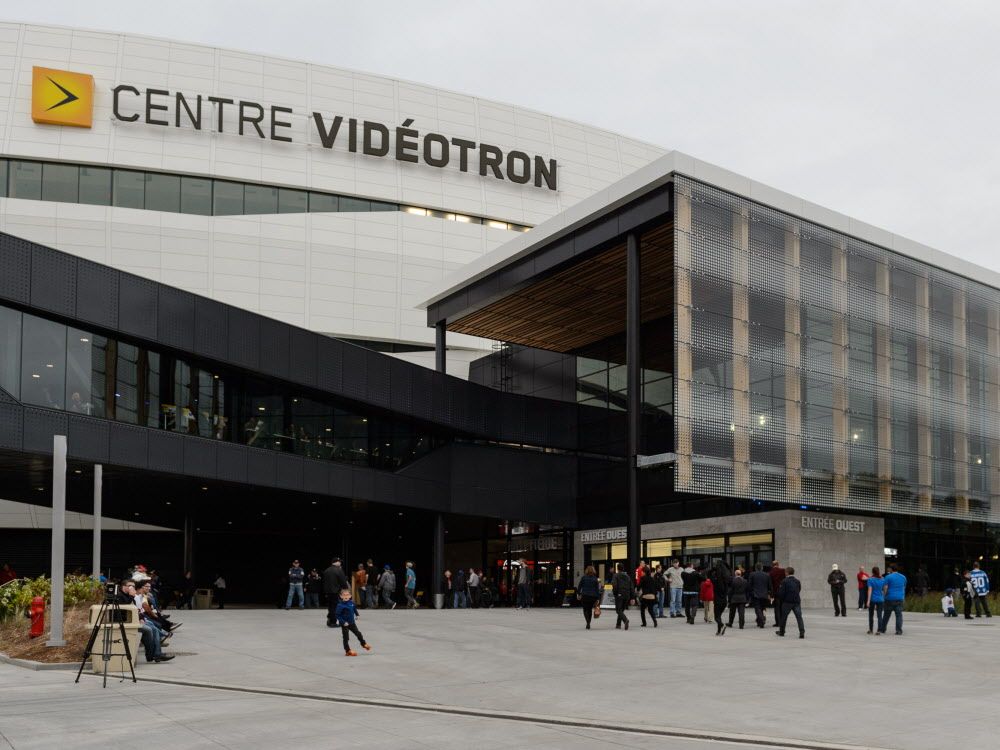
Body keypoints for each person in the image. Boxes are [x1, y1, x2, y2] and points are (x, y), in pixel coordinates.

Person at [334, 588, 371, 656]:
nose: (346, 596)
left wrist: (357, 614)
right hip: (344, 624)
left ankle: (363, 644)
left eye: (347, 594)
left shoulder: (351, 603)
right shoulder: (340, 605)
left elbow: (354, 609)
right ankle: (348, 651)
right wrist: (343, 622)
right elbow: (337, 615)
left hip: (352, 623)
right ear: (341, 596)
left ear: (350, 596)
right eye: (344, 595)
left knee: (358, 633)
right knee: (346, 637)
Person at [877, 563, 907, 636]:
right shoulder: (903, 577)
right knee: (899, 615)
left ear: (891, 569)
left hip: (889, 598)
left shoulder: (888, 577)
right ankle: (899, 630)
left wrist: (884, 595)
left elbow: (885, 587)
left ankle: (883, 629)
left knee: (886, 615)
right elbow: (904, 587)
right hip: (900, 598)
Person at [775, 566, 805, 638]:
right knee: (799, 617)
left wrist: (782, 600)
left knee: (784, 617)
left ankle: (782, 632)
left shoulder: (784, 581)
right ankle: (802, 632)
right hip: (796, 601)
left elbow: (781, 593)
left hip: (787, 602)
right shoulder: (797, 581)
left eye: (785, 572)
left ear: (787, 573)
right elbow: (799, 590)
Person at [323, 557, 349, 627]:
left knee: (330, 606)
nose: (340, 563)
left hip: (328, 592)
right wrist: (346, 589)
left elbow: (324, 582)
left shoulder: (326, 570)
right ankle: (333, 622)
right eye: (339, 561)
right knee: (335, 607)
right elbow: (343, 581)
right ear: (336, 562)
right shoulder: (339, 570)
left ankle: (330, 619)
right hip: (335, 592)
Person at [709, 560, 731, 635]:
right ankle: (718, 631)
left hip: (717, 601)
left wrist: (714, 569)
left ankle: (722, 625)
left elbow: (708, 574)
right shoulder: (726, 580)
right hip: (724, 601)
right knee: (719, 616)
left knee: (716, 617)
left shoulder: (715, 580)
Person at [577, 565, 602, 629]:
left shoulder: (584, 578)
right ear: (593, 571)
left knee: (585, 610)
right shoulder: (595, 579)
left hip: (585, 596)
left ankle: (587, 622)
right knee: (590, 610)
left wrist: (578, 594)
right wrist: (598, 598)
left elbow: (579, 586)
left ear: (586, 570)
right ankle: (589, 622)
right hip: (593, 597)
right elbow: (597, 589)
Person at [611, 562, 633, 630]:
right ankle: (618, 624)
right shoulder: (628, 576)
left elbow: (614, 585)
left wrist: (615, 593)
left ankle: (625, 620)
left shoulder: (616, 575)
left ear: (617, 568)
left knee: (618, 610)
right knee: (621, 610)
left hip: (619, 594)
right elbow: (631, 586)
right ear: (623, 568)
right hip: (627, 595)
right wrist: (632, 597)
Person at [748, 562, 771, 628]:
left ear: (755, 568)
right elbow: (769, 585)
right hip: (764, 594)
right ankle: (759, 621)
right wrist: (769, 593)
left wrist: (750, 593)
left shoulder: (752, 574)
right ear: (762, 568)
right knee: (762, 608)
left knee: (757, 608)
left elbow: (749, 585)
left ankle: (761, 620)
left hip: (756, 594)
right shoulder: (767, 575)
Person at [865, 565, 884, 635]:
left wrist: (868, 601)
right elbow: (884, 589)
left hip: (873, 599)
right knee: (879, 615)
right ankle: (879, 630)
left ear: (872, 572)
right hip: (880, 599)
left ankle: (871, 630)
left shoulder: (870, 579)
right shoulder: (882, 579)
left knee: (871, 615)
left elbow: (870, 590)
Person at [768, 560, 786, 628]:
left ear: (772, 565)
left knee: (777, 608)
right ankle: (782, 621)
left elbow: (770, 584)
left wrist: (771, 594)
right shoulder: (783, 571)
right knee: (782, 608)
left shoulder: (771, 573)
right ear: (778, 564)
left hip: (775, 592)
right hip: (782, 592)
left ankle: (778, 622)